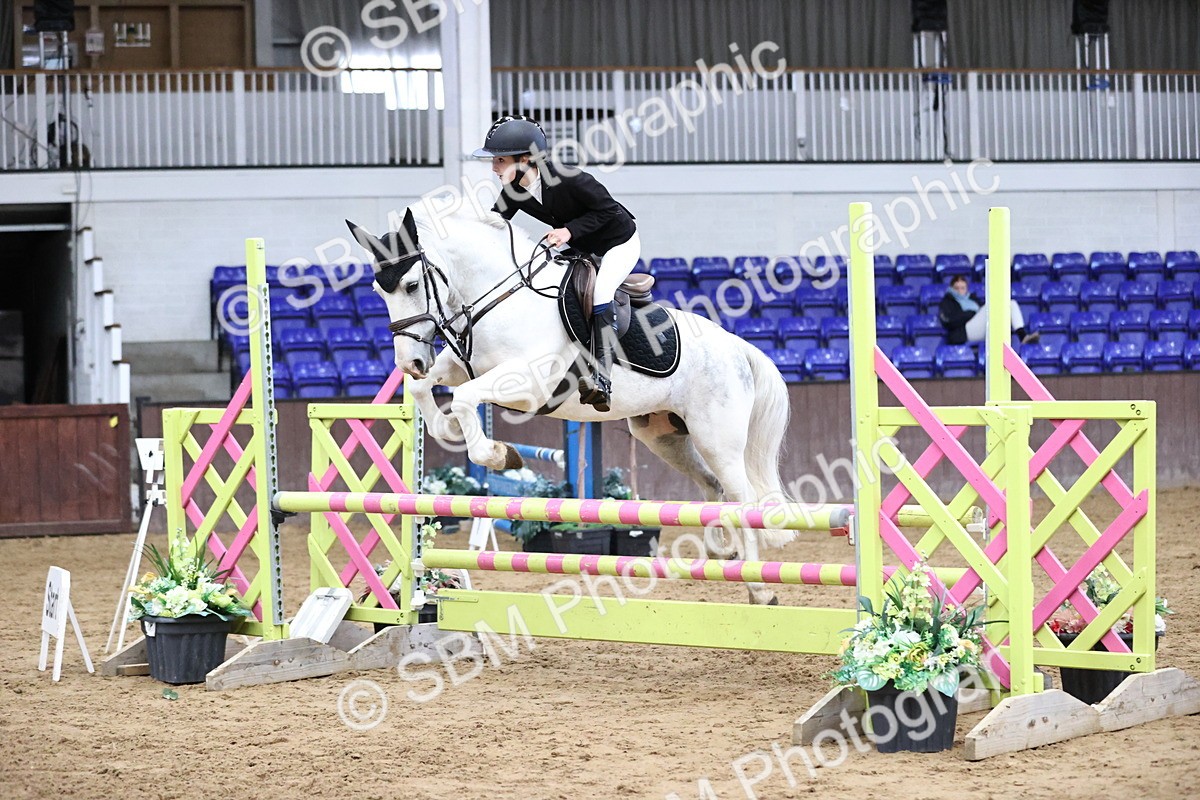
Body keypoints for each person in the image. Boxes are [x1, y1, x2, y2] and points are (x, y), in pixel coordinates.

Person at [473, 115, 639, 412]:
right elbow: (494, 223)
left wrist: (569, 231)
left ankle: (602, 378)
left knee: (601, 292)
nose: (494, 168)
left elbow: (610, 211)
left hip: (618, 243)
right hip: (582, 248)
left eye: (499, 160)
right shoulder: (514, 189)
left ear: (525, 159)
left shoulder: (568, 177)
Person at [938, 274, 1040, 345]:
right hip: (964, 332)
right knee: (989, 306)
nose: (960, 291)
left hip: (983, 329)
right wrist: (969, 314)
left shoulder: (972, 299)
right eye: (957, 288)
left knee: (1011, 303)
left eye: (962, 288)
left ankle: (1022, 335)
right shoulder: (947, 301)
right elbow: (949, 321)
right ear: (951, 288)